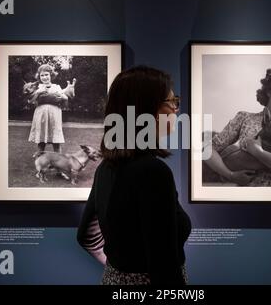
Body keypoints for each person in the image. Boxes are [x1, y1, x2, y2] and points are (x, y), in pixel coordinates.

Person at [77, 66, 191, 285]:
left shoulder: (106, 167)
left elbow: (86, 236)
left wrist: (120, 270)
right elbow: (163, 265)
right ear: (146, 112)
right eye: (171, 102)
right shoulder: (153, 172)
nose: (176, 109)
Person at [204, 68, 271, 187]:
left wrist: (258, 152)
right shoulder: (244, 118)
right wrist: (230, 175)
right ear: (269, 91)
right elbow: (207, 150)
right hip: (246, 200)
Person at [27, 64, 76, 154]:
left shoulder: (56, 87)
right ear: (39, 76)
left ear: (51, 75)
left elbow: (65, 99)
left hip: (55, 115)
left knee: (56, 142)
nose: (44, 77)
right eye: (42, 75)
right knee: (41, 142)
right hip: (41, 116)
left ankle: (58, 163)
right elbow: (30, 101)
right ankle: (40, 164)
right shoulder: (37, 87)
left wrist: (69, 91)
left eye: (46, 74)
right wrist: (38, 92)